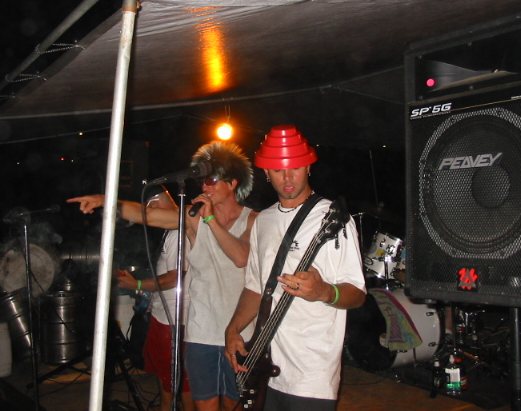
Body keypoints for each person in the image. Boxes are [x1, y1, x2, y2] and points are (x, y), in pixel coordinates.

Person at [67, 141, 257, 411]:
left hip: (239, 332)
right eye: (202, 181)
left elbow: (240, 257)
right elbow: (149, 215)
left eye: (211, 181)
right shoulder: (192, 218)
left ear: (233, 183)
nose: (205, 187)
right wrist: (107, 201)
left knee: (234, 404)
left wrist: (211, 221)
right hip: (200, 332)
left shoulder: (253, 220)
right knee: (204, 405)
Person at [225, 125, 367, 411]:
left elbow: (357, 294)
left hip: (312, 374)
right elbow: (256, 287)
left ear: (308, 167)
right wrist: (233, 329)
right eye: (278, 170)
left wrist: (324, 291)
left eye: (295, 168)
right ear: (266, 172)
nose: (287, 178)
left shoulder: (333, 218)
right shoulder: (263, 221)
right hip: (265, 365)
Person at [116, 186, 193, 411]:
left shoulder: (179, 233)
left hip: (175, 321)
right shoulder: (171, 232)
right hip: (163, 318)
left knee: (181, 384)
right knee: (165, 382)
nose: (151, 214)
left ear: (160, 201)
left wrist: (137, 284)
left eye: (151, 207)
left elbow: (175, 277)